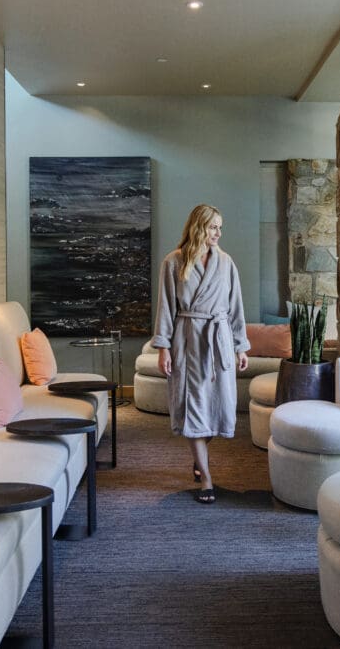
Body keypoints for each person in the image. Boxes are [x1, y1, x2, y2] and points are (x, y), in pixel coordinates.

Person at [151, 204, 249, 504]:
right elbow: (166, 308)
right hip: (187, 339)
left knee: (219, 407)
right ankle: (206, 477)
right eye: (213, 227)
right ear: (198, 227)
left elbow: (235, 307)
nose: (218, 233)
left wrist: (240, 345)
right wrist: (163, 348)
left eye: (220, 227)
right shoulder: (173, 262)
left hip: (217, 340)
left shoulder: (226, 262)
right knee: (193, 406)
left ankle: (199, 455)